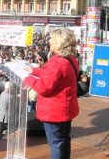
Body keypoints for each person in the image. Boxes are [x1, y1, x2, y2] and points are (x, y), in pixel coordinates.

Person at [23, 28, 79, 159]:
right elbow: (55, 76)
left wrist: (26, 78)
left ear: (59, 43)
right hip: (66, 109)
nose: (49, 42)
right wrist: (34, 71)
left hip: (55, 112)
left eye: (52, 40)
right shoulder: (70, 59)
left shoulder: (55, 63)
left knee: (56, 144)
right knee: (64, 140)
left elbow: (43, 87)